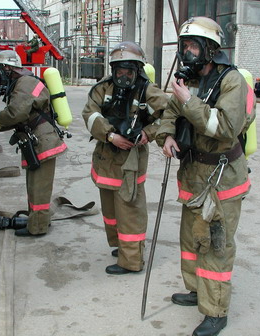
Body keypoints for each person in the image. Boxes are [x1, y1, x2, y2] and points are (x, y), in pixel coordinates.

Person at [155, 17, 255, 336]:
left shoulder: (232, 81)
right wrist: (166, 136)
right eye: (184, 46)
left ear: (211, 49)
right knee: (189, 240)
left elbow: (225, 128)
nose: (187, 52)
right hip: (193, 176)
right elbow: (170, 113)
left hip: (221, 177)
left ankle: (215, 311)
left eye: (193, 46)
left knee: (214, 245)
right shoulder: (190, 78)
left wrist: (190, 102)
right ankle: (197, 290)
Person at [0, 50, 67, 237]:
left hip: (43, 142)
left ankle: (38, 227)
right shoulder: (21, 83)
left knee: (39, 189)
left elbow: (16, 113)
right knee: (34, 186)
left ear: (7, 68)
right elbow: (17, 117)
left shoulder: (26, 83)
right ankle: (37, 221)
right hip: (35, 142)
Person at [81, 41, 169, 275]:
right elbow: (90, 113)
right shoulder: (103, 88)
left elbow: (170, 114)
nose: (123, 75)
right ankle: (122, 247)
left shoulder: (147, 90)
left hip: (131, 159)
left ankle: (131, 261)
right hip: (106, 156)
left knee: (129, 209)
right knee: (110, 210)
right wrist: (110, 135)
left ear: (137, 70)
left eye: (128, 70)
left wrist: (146, 133)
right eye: (119, 70)